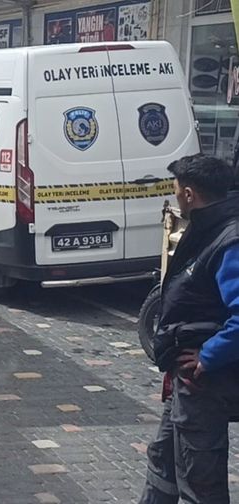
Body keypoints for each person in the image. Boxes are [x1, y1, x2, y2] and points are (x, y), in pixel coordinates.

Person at [140, 155, 239, 504]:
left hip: (205, 381)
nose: (175, 198)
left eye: (176, 192)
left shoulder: (228, 240)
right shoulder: (207, 228)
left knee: (201, 478)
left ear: (189, 193)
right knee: (163, 460)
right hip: (185, 378)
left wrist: (208, 357)